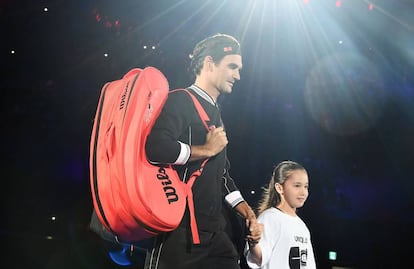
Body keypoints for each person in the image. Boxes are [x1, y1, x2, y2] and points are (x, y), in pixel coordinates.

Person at [144, 33, 263, 269]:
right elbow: (155, 148)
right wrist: (205, 149)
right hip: (177, 230)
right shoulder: (180, 100)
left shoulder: (216, 113)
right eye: (232, 66)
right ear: (209, 63)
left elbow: (222, 176)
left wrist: (248, 212)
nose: (238, 75)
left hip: (212, 232)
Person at [244, 161, 316, 269]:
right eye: (297, 186)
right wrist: (254, 243)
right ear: (279, 188)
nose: (303, 192)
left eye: (306, 186)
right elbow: (259, 258)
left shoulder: (302, 226)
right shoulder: (270, 218)